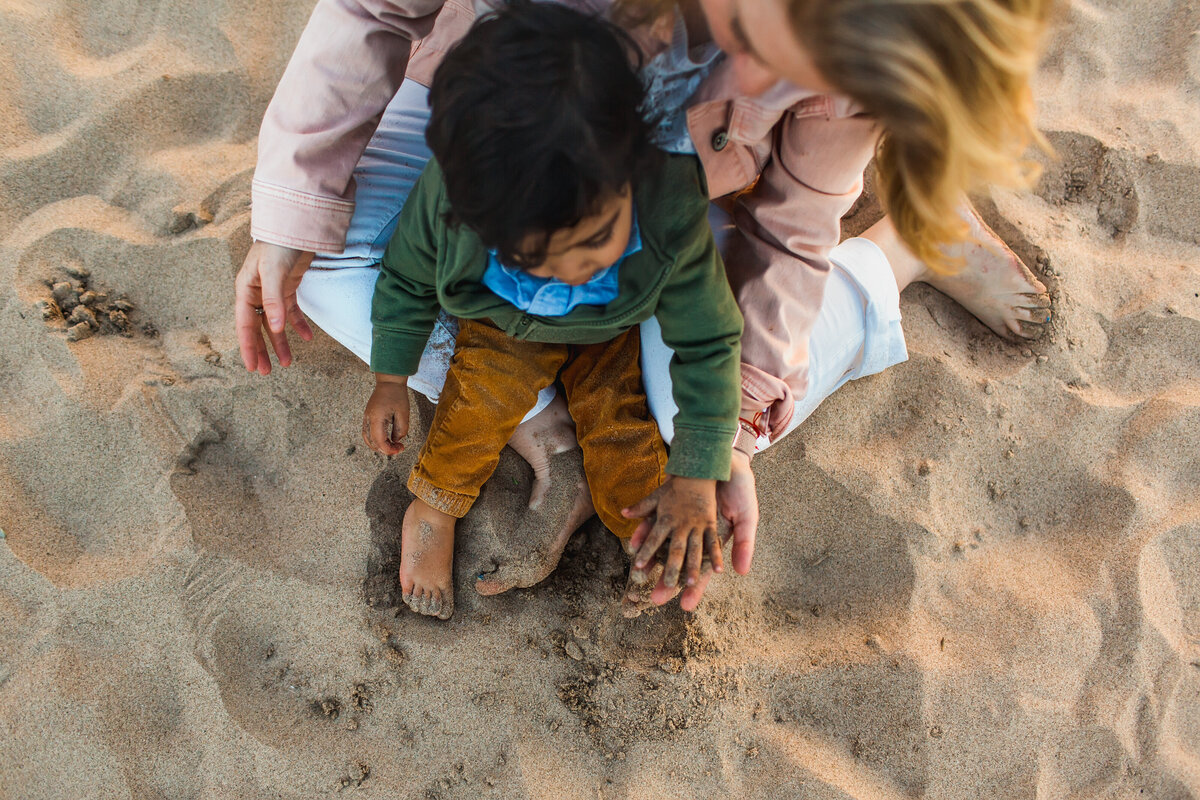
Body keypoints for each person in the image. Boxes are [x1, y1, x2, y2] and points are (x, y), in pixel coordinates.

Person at [235, 0, 1054, 612]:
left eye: (808, 72)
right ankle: (542, 437)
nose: (762, 83)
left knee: (704, 429)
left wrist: (718, 449)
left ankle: (904, 250)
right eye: (779, 42)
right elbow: (372, 12)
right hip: (502, 120)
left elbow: (781, 241)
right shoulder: (455, 199)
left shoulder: (663, 220)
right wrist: (299, 224)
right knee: (310, 263)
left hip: (667, 200)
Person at [360, 2, 742, 620]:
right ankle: (434, 503)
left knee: (621, 426)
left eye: (596, 242)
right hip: (503, 324)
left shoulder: (668, 201)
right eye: (534, 256)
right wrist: (390, 377)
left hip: (611, 330)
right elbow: (405, 280)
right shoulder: (451, 194)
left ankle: (647, 542)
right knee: (478, 395)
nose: (572, 271)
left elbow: (710, 340)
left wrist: (698, 475)